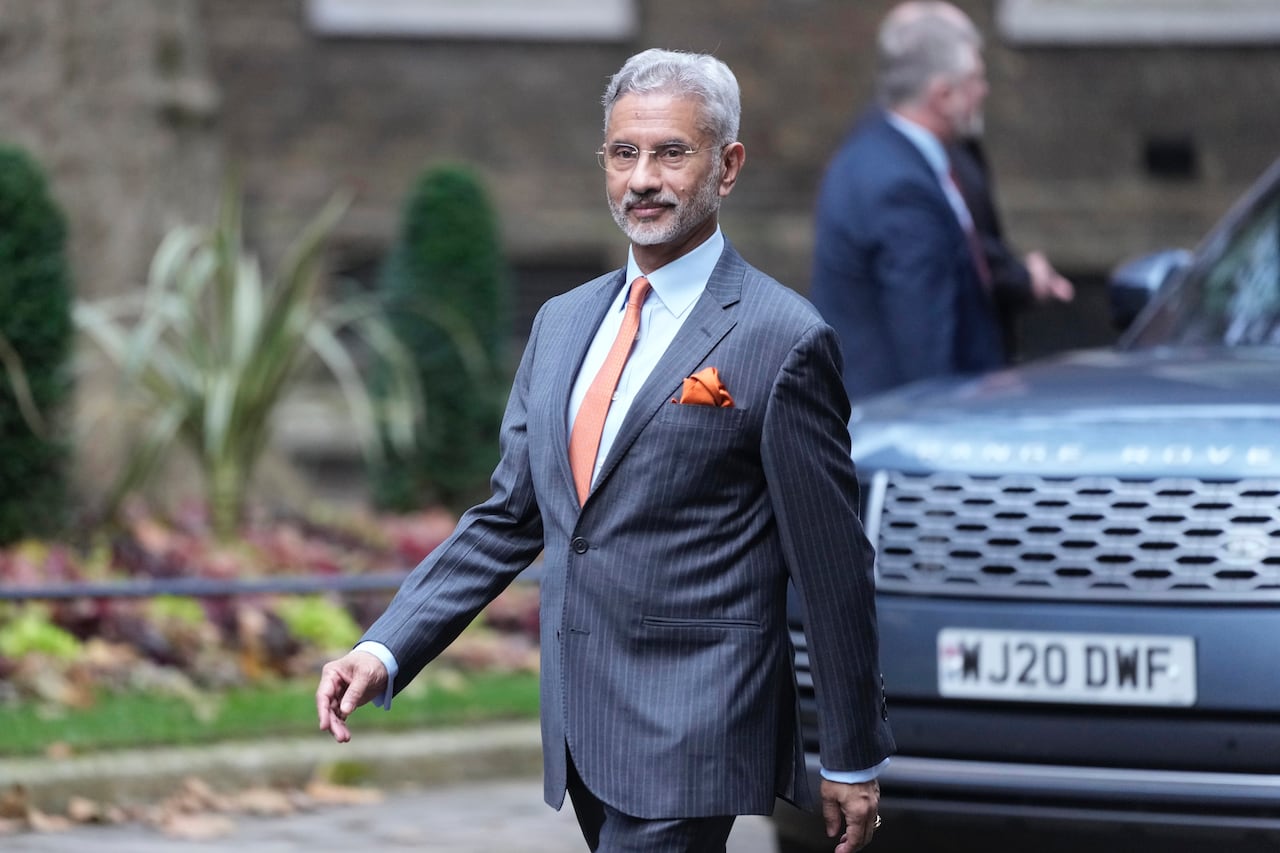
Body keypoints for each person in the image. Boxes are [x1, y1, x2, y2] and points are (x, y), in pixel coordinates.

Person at [316, 48, 895, 853]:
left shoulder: (782, 339)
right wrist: (385, 646)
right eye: (625, 153)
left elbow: (833, 569)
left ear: (727, 167)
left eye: (671, 152)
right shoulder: (560, 324)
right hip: (586, 731)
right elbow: (509, 516)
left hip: (698, 726)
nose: (643, 178)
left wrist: (852, 752)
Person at [810, 0, 1072, 401]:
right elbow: (926, 342)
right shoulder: (900, 187)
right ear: (944, 95)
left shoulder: (885, 154)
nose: (984, 91)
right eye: (976, 80)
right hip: (905, 423)